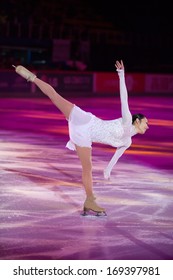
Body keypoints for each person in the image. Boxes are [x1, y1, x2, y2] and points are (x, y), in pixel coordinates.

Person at [12, 60, 149, 216]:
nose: (147, 126)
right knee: (56, 97)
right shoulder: (127, 120)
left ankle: (89, 200)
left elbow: (115, 158)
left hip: (84, 135)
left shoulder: (127, 142)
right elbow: (124, 98)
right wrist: (121, 74)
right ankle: (32, 77)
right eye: (146, 123)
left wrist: (107, 171)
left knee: (87, 168)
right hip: (85, 120)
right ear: (137, 121)